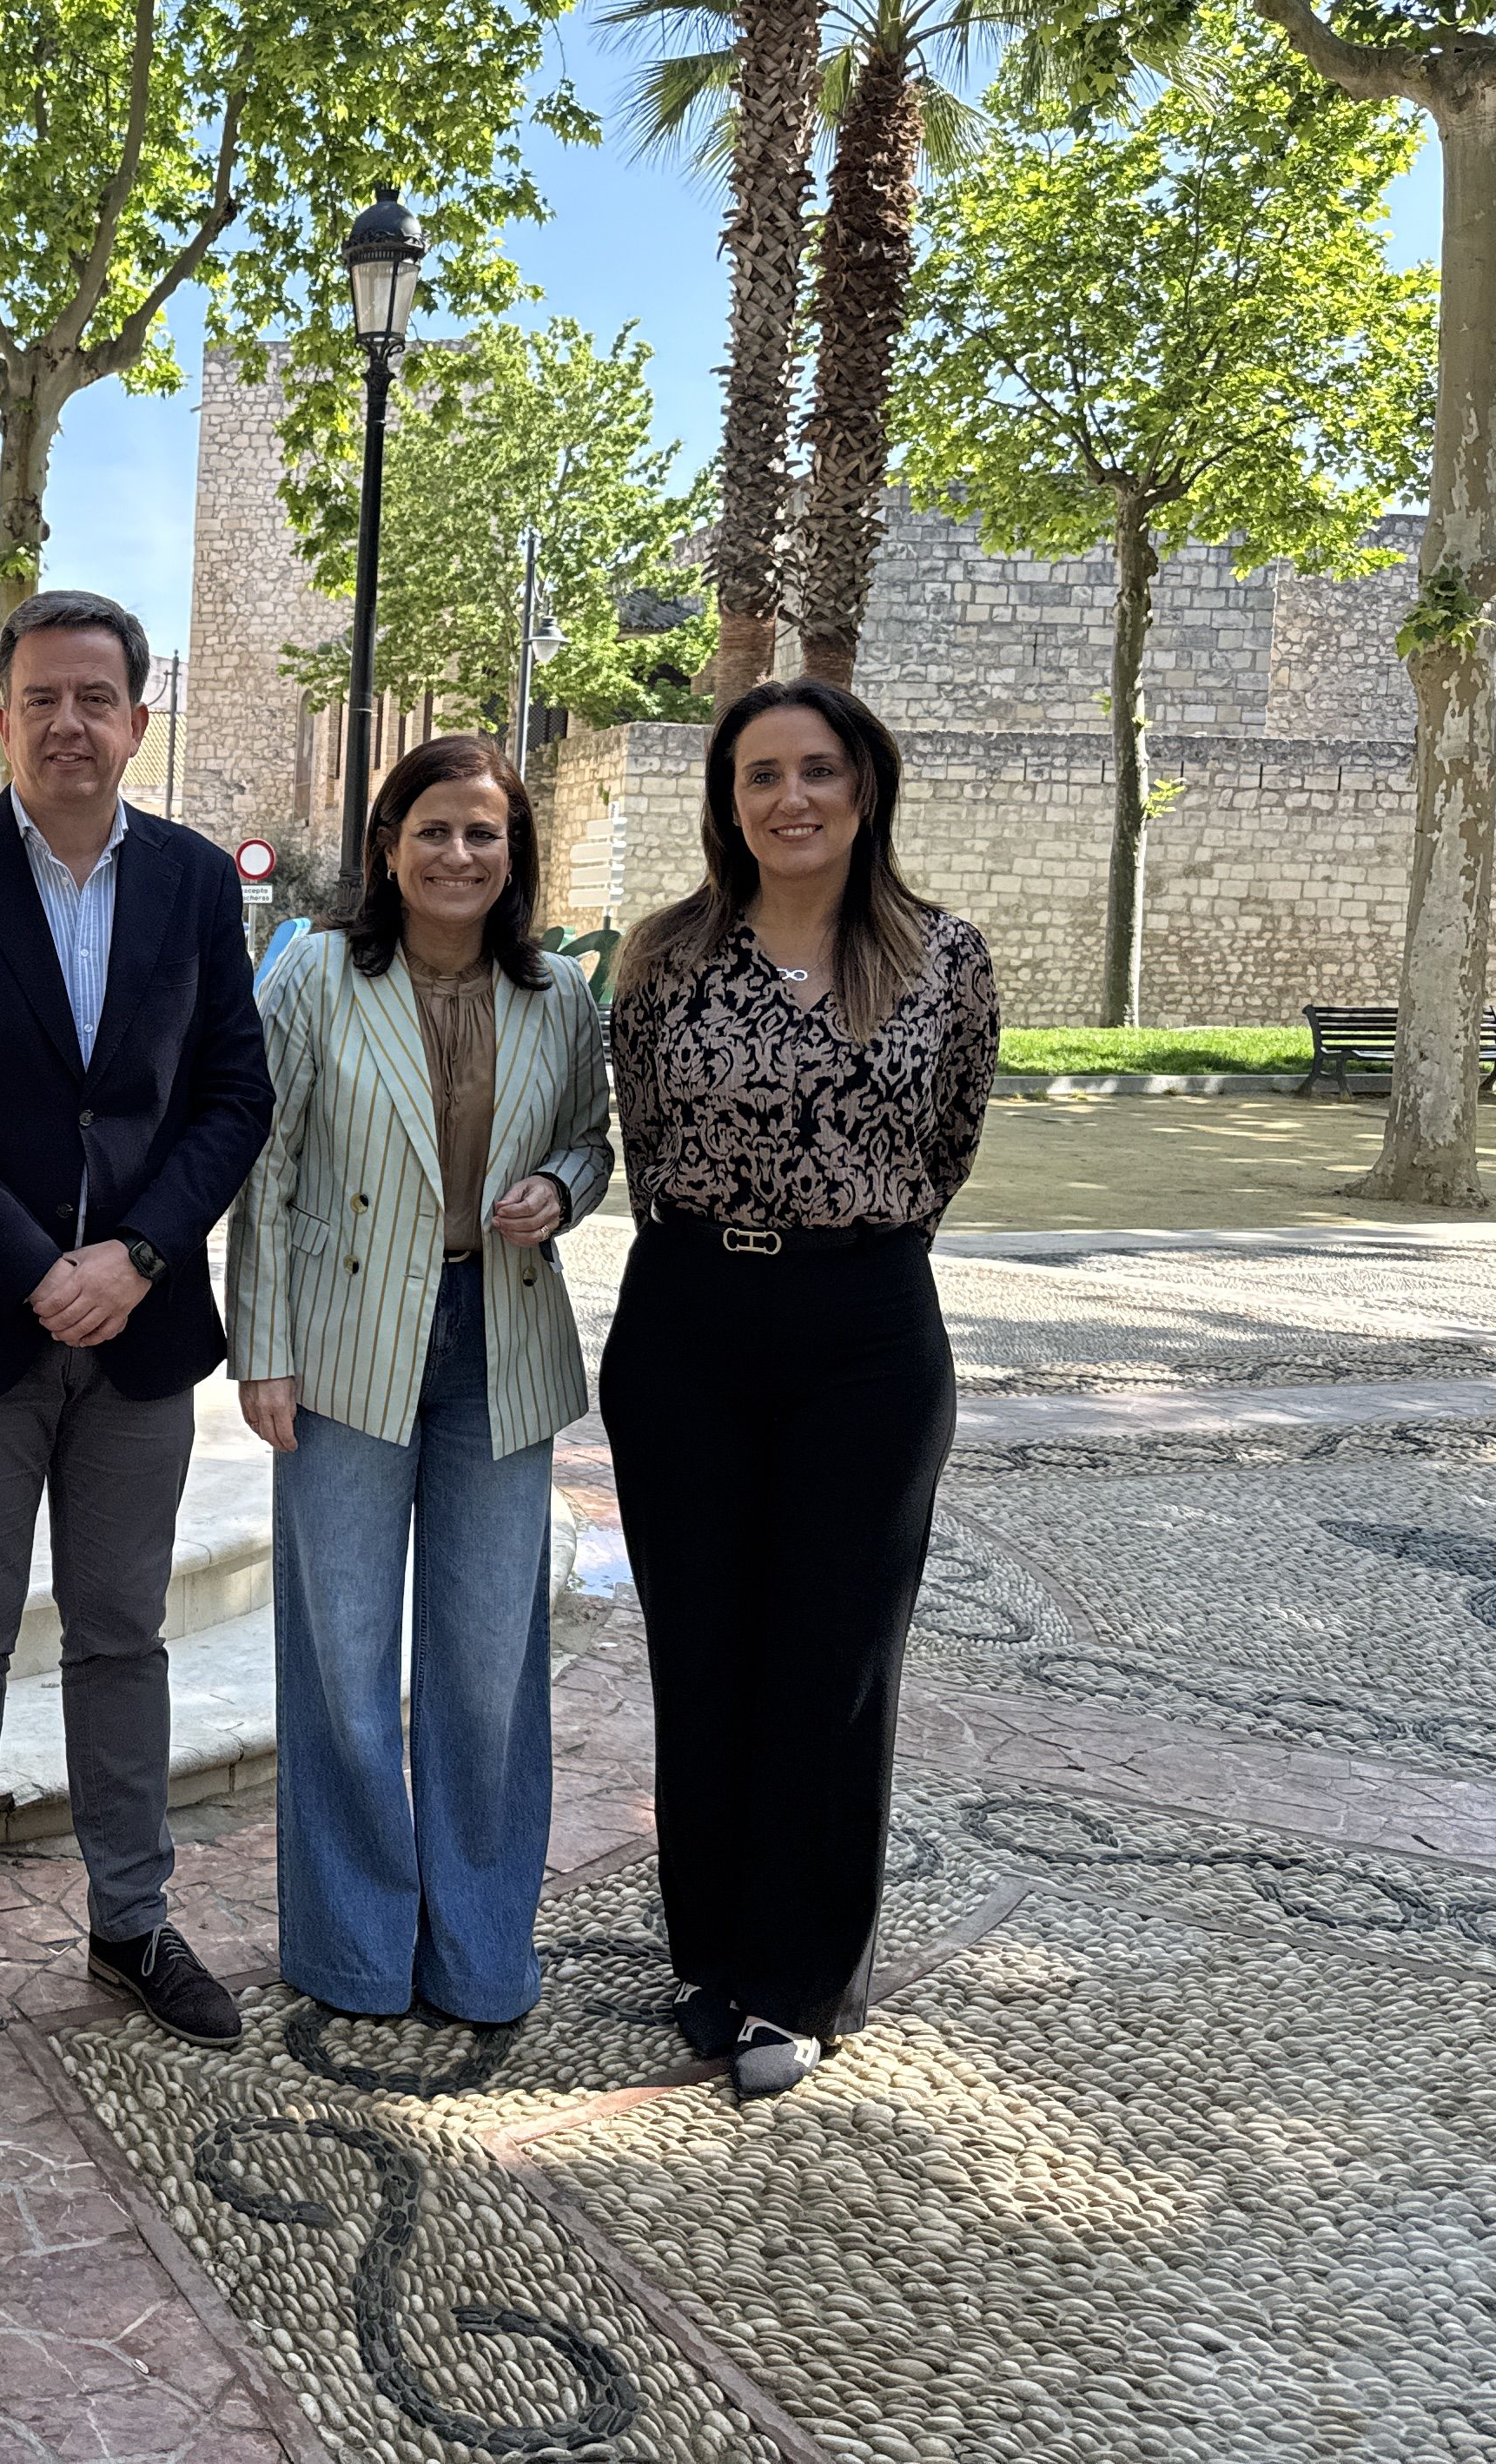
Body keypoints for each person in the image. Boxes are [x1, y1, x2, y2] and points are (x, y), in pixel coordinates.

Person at [0, 587, 274, 2060]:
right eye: (40, 696)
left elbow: (235, 1091)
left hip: (144, 1334)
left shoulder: (192, 882)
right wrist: (43, 1264)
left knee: (121, 1631)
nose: (67, 721)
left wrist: (142, 1254)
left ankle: (133, 1915)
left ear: (137, 718)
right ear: (2, 714)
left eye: (95, 696)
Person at [599, 676, 997, 2099]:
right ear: (728, 801)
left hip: (865, 1327)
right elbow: (643, 1135)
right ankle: (708, 1951)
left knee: (829, 1661)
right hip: (689, 1314)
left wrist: (842, 1234)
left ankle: (797, 1974)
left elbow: (945, 1142)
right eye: (758, 773)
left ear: (863, 785)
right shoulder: (661, 958)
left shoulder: (942, 957)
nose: (788, 797)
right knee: (701, 1648)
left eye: (815, 769)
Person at [230, 733, 613, 2026]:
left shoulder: (559, 992)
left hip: (500, 1339)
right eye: (435, 830)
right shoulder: (317, 976)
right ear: (389, 847)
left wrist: (562, 1187)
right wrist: (263, 1348)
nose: (459, 854)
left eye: (484, 835)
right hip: (343, 1344)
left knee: (490, 1660)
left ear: (515, 856)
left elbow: (590, 1139)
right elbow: (265, 1172)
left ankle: (481, 1952)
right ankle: (351, 1949)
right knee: (341, 1652)